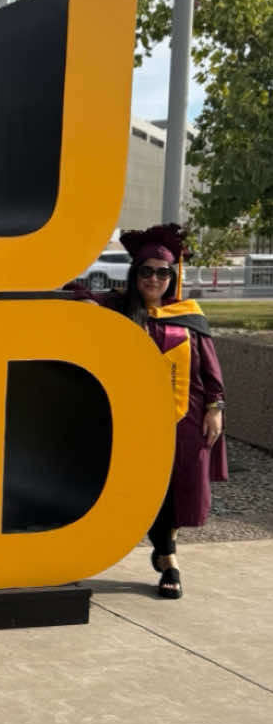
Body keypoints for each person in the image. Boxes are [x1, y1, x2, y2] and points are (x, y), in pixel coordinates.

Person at [68, 224, 227, 598]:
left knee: (177, 488)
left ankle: (167, 555)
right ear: (134, 273)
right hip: (133, 419)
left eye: (162, 272)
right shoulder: (120, 308)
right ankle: (156, 554)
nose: (154, 278)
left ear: (172, 278)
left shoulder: (188, 315)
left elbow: (210, 368)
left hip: (184, 417)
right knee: (138, 486)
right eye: (145, 270)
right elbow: (73, 293)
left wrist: (215, 408)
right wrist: (90, 302)